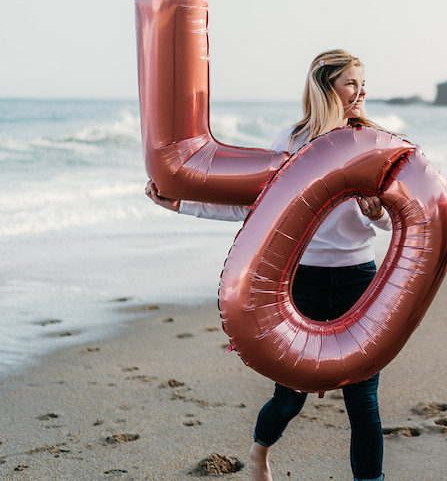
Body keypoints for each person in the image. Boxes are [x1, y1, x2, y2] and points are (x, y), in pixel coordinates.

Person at [146, 50, 390, 481]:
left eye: (363, 83)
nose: (361, 92)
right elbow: (255, 207)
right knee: (290, 395)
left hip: (359, 281)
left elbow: (396, 218)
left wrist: (377, 212)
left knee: (363, 401)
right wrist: (184, 204)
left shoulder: (374, 141)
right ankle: (259, 453)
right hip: (303, 281)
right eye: (351, 83)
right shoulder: (292, 142)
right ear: (326, 86)